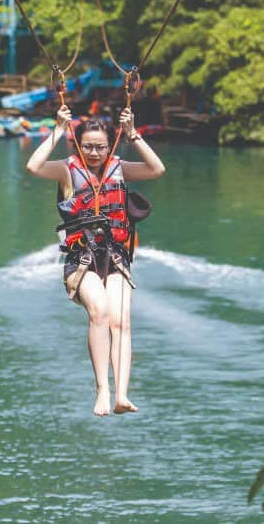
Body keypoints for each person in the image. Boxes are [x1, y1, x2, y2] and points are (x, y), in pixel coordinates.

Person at [26, 103, 165, 416]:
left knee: (121, 320)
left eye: (100, 147)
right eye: (87, 146)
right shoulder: (66, 170)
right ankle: (103, 390)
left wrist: (133, 134)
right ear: (77, 145)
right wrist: (58, 130)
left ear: (110, 146)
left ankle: (122, 395)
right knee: (100, 312)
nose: (94, 152)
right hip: (82, 259)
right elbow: (33, 167)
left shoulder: (119, 167)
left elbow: (157, 169)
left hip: (116, 257)